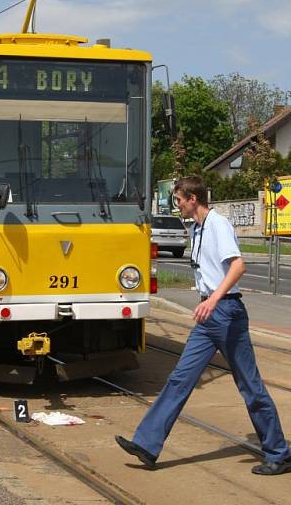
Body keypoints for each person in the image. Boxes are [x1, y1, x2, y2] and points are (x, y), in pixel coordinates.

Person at [116, 176, 291, 475]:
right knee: (179, 379)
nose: (178, 205)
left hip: (226, 312)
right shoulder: (197, 229)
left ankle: (278, 452)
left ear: (193, 199)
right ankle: (147, 444)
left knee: (249, 385)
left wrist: (212, 300)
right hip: (209, 316)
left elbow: (238, 266)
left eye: (179, 200)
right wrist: (207, 302)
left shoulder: (218, 225)